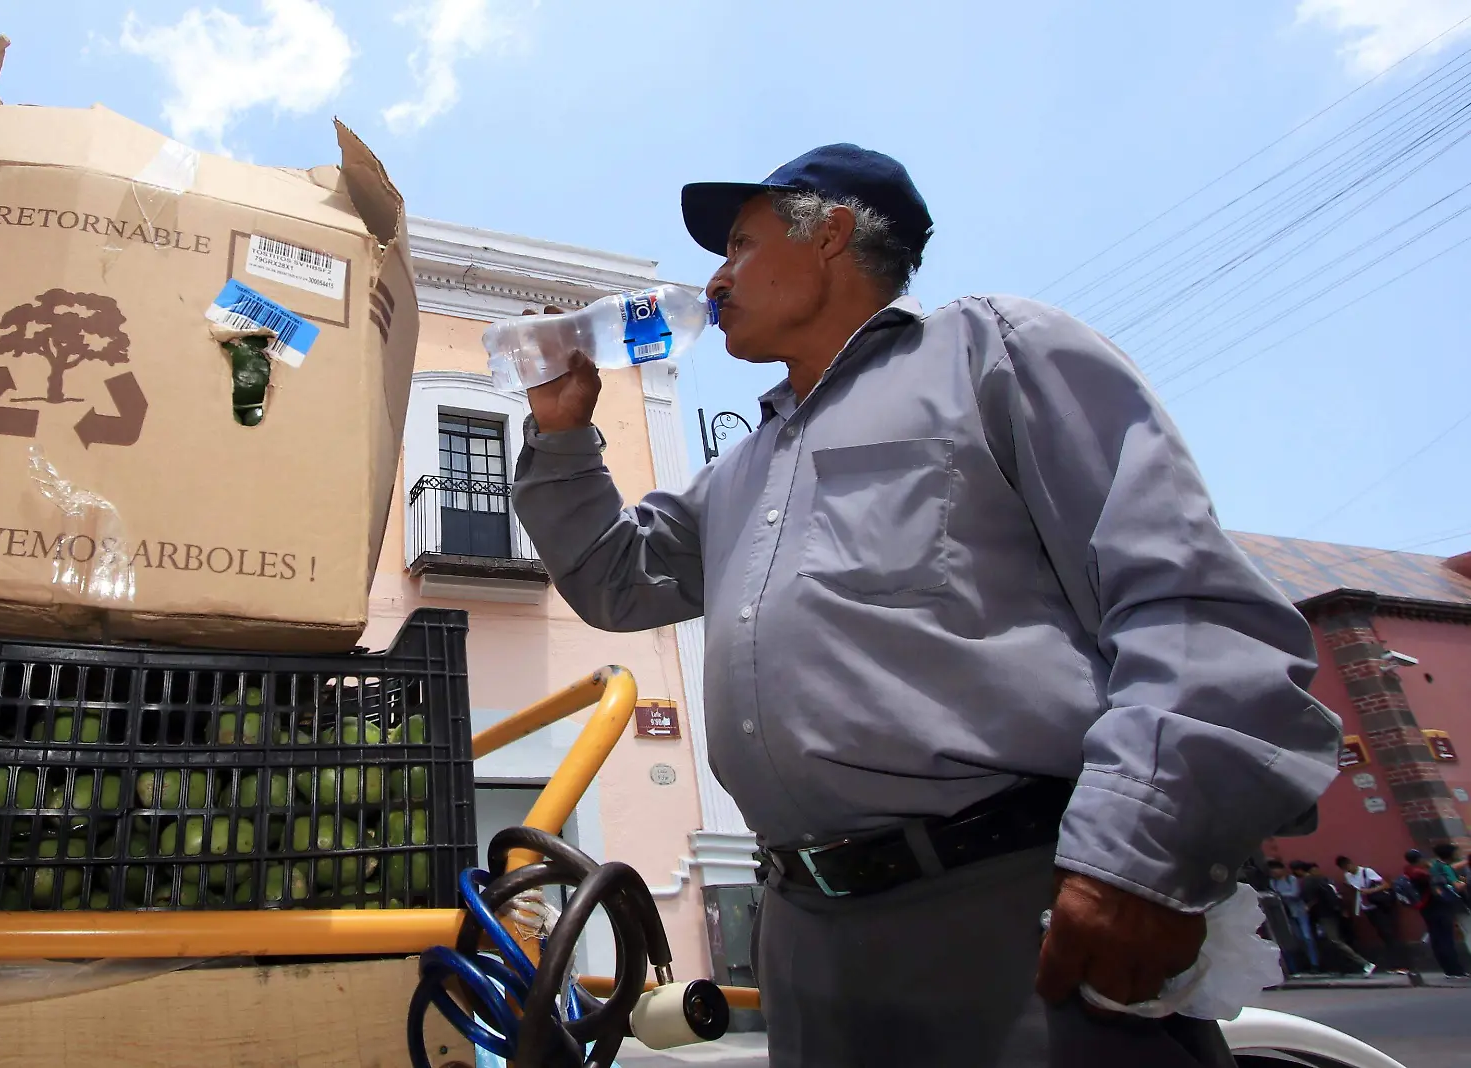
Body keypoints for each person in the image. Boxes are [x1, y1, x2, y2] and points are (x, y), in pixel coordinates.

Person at [510, 142, 1342, 1067]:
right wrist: (561, 435)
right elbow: (614, 578)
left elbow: (1186, 601)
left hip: (1008, 917)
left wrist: (1140, 853)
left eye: (740, 245)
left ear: (829, 234)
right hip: (807, 943)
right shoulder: (739, 473)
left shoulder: (992, 352)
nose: (716, 277)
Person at [1295, 860, 1374, 975]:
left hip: (1324, 915)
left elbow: (1310, 899)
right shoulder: (1324, 880)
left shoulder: (1309, 882)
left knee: (1335, 941)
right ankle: (1347, 966)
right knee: (1335, 941)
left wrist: (1308, 907)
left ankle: (1364, 963)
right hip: (1332, 914)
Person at [1404, 848, 1467, 977]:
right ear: (1419, 859)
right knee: (1446, 939)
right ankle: (1455, 969)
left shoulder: (1409, 871)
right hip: (1437, 907)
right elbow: (1438, 881)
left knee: (1437, 938)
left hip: (1425, 908)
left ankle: (1448, 969)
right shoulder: (1422, 873)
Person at [1338, 855, 1403, 970]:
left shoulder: (1366, 872)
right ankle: (1393, 963)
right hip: (1366, 908)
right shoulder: (1347, 876)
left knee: (1388, 933)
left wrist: (1369, 891)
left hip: (1378, 906)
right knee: (1382, 934)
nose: (1348, 870)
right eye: (1344, 869)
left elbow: (1386, 885)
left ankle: (1399, 964)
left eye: (1347, 867)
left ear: (1351, 863)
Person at [1267, 858, 1315, 973]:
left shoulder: (1291, 879)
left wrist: (1281, 895)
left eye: (1275, 870)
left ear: (1282, 869)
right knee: (1296, 938)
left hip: (1299, 911)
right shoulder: (1273, 882)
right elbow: (1274, 896)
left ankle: (1314, 963)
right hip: (1286, 913)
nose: (1274, 873)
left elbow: (1295, 893)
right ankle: (1305, 963)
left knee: (1307, 937)